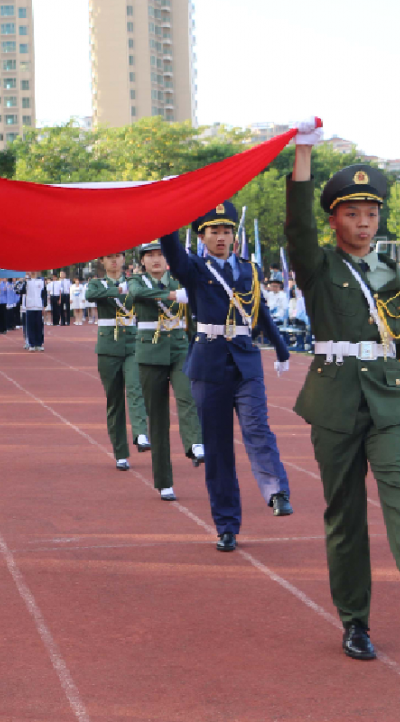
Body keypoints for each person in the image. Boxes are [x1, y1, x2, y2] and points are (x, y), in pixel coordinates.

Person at [285, 125, 400, 662]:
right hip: (334, 398)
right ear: (335, 219)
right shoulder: (318, 265)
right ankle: (355, 621)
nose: (362, 223)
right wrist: (303, 157)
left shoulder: (395, 275)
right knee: (346, 514)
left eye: (371, 214)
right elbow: (297, 227)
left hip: (387, 394)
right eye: (351, 214)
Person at [161, 201, 293, 554]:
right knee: (218, 449)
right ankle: (226, 525)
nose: (221, 237)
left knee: (257, 425)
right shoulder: (192, 268)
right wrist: (169, 208)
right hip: (209, 362)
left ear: (235, 235)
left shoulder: (249, 269)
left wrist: (280, 348)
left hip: (246, 359)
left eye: (226, 231)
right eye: (214, 231)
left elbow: (259, 311)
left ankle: (276, 491)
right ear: (201, 236)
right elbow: (172, 251)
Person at [130, 242, 203, 499]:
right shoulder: (137, 282)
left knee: (188, 395)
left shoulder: (178, 279)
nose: (156, 259)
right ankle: (164, 481)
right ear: (143, 261)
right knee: (158, 418)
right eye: (150, 256)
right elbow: (138, 295)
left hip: (179, 349)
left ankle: (194, 443)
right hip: (150, 354)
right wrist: (172, 296)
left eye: (160, 254)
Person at [85, 253, 151, 469]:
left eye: (118, 256)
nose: (114, 260)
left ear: (124, 260)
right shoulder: (97, 283)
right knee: (114, 400)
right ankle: (120, 451)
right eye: (109, 257)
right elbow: (90, 295)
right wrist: (120, 290)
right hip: (108, 346)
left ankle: (141, 434)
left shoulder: (135, 282)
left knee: (135, 388)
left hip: (133, 342)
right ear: (101, 261)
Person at [23, 271, 46, 351]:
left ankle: (39, 344)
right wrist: (24, 281)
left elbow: (44, 294)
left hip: (39, 306)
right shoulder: (27, 282)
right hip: (30, 306)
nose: (33, 272)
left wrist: (44, 306)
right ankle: (31, 344)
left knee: (39, 326)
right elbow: (21, 291)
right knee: (31, 326)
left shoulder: (41, 281)